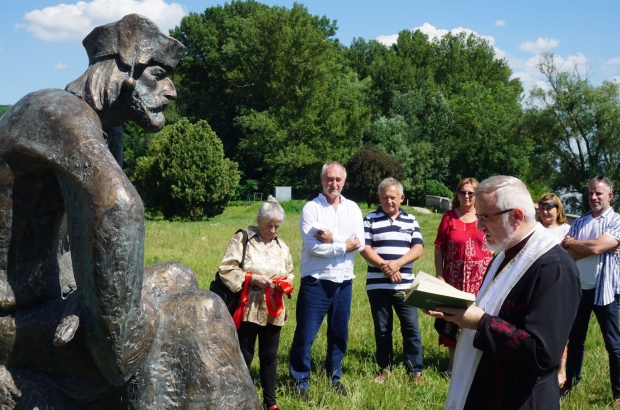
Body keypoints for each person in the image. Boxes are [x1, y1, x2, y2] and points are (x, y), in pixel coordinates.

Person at [0, 14, 260, 408]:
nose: (171, 91)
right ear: (120, 71)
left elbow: (60, 244)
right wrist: (126, 329)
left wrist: (83, 303)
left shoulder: (104, 130)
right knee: (201, 313)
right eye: (158, 74)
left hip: (45, 305)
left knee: (179, 274)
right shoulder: (57, 113)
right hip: (13, 325)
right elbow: (117, 208)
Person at [425, 175, 581, 410]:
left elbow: (542, 354)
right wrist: (452, 314)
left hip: (522, 399)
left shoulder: (554, 268)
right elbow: (492, 311)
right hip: (490, 389)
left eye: (485, 217)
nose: (478, 226)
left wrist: (481, 323)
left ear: (516, 216)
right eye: (478, 217)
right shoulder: (503, 256)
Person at [288, 161, 365, 401]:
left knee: (339, 333)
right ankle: (300, 379)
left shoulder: (353, 209)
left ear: (344, 181)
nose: (334, 184)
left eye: (338, 180)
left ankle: (334, 376)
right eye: (329, 179)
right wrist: (344, 245)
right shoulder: (311, 209)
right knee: (306, 333)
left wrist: (334, 240)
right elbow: (313, 248)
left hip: (344, 281)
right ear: (322, 181)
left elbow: (359, 242)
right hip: (317, 281)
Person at [218, 196, 294, 410]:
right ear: (259, 220)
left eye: (277, 226)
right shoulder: (244, 239)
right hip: (248, 308)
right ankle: (240, 399)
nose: (272, 230)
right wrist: (252, 279)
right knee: (245, 354)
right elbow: (226, 269)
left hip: (274, 309)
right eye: (269, 225)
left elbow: (290, 273)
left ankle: (271, 403)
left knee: (269, 356)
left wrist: (283, 283)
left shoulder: (282, 247)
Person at [561, 175, 620, 405]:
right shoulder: (580, 222)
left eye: (599, 193)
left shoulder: (616, 221)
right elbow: (567, 254)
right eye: (590, 193)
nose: (593, 197)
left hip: (604, 291)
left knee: (613, 344)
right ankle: (571, 383)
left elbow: (594, 248)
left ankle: (618, 393)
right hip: (579, 289)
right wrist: (594, 247)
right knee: (575, 340)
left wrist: (575, 244)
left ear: (610, 196)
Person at [360, 178, 425, 384]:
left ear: (402, 198)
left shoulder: (411, 220)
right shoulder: (369, 219)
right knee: (382, 329)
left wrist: (397, 264)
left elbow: (418, 248)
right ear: (379, 198)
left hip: (405, 285)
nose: (389, 201)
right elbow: (365, 248)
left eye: (393, 197)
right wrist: (385, 267)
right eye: (385, 197)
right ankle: (385, 369)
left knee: (411, 328)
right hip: (378, 285)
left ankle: (415, 371)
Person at [433, 177, 492, 376]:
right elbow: (439, 246)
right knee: (452, 318)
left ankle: (475, 364)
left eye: (471, 193)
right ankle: (452, 365)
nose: (466, 196)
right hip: (453, 278)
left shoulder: (485, 217)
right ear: (457, 194)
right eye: (462, 192)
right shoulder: (449, 217)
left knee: (477, 319)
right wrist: (440, 275)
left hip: (480, 279)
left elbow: (495, 244)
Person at [536, 192, 571, 386]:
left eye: (550, 206)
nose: (546, 210)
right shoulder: (534, 229)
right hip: (538, 281)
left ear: (558, 209)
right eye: (542, 206)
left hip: (558, 283)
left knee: (559, 325)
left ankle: (561, 369)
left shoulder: (566, 230)